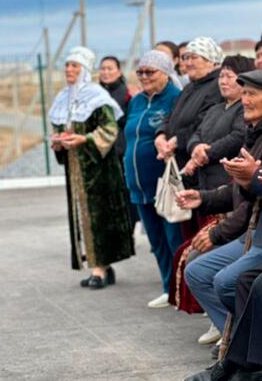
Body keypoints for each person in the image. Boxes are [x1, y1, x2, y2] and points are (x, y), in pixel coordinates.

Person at [179, 70, 262, 339]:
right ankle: (237, 343)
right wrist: (204, 198)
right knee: (195, 268)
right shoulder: (257, 129)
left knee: (218, 278)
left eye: (251, 94)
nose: (244, 100)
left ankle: (247, 345)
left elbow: (261, 194)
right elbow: (242, 188)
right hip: (256, 228)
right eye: (243, 93)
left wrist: (219, 232)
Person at [49, 46, 133, 288]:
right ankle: (101, 267)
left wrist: (84, 139)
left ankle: (100, 268)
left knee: (100, 218)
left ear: (84, 70)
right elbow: (60, 127)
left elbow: (109, 130)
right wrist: (59, 143)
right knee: (83, 219)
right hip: (75, 170)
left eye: (74, 66)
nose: (69, 70)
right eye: (67, 65)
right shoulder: (64, 97)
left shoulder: (97, 97)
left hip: (100, 171)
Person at [123, 50, 184, 307]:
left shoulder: (175, 98)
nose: (144, 77)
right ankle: (167, 288)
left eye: (150, 72)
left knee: (174, 240)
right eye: (140, 72)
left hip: (164, 183)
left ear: (166, 72)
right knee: (156, 241)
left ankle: (185, 292)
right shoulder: (136, 102)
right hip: (139, 184)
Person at [154, 36, 224, 190]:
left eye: (194, 57)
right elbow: (171, 115)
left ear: (210, 60)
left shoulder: (216, 86)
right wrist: (161, 135)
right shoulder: (189, 87)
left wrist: (177, 140)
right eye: (185, 57)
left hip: (200, 170)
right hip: (180, 164)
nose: (187, 63)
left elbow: (205, 124)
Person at [183, 55, 254, 189]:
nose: (223, 81)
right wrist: (195, 147)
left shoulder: (244, 108)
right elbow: (197, 133)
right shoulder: (215, 109)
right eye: (221, 76)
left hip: (225, 181)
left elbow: (237, 136)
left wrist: (205, 154)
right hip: (204, 181)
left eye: (229, 76)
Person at [98, 55, 138, 229]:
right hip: (101, 151)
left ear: (118, 71)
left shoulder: (126, 93)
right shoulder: (95, 94)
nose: (105, 72)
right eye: (103, 69)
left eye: (110, 68)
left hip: (121, 149)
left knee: (123, 193)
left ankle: (127, 228)